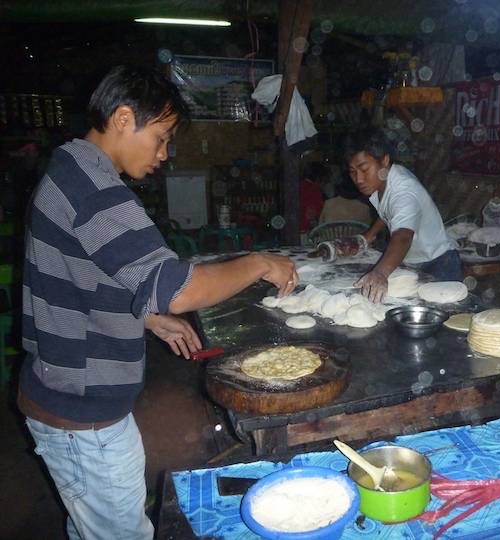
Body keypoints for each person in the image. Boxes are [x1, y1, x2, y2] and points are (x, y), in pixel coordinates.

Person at [17, 65, 298, 540]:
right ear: (124, 119)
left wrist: (147, 316)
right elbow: (181, 287)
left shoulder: (71, 170)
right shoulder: (94, 191)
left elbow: (77, 275)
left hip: (69, 397)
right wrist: (258, 263)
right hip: (83, 414)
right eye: (162, 138)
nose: (164, 155)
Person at [345, 129, 461, 303]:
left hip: (438, 263)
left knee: (440, 321)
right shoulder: (384, 181)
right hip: (413, 262)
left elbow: (403, 236)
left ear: (384, 160)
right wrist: (369, 236)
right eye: (353, 171)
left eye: (363, 169)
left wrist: (380, 273)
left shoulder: (404, 190)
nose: (359, 179)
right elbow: (390, 213)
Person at [299, 161, 327, 234]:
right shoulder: (314, 190)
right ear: (319, 178)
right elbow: (312, 214)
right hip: (306, 231)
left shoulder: (299, 186)